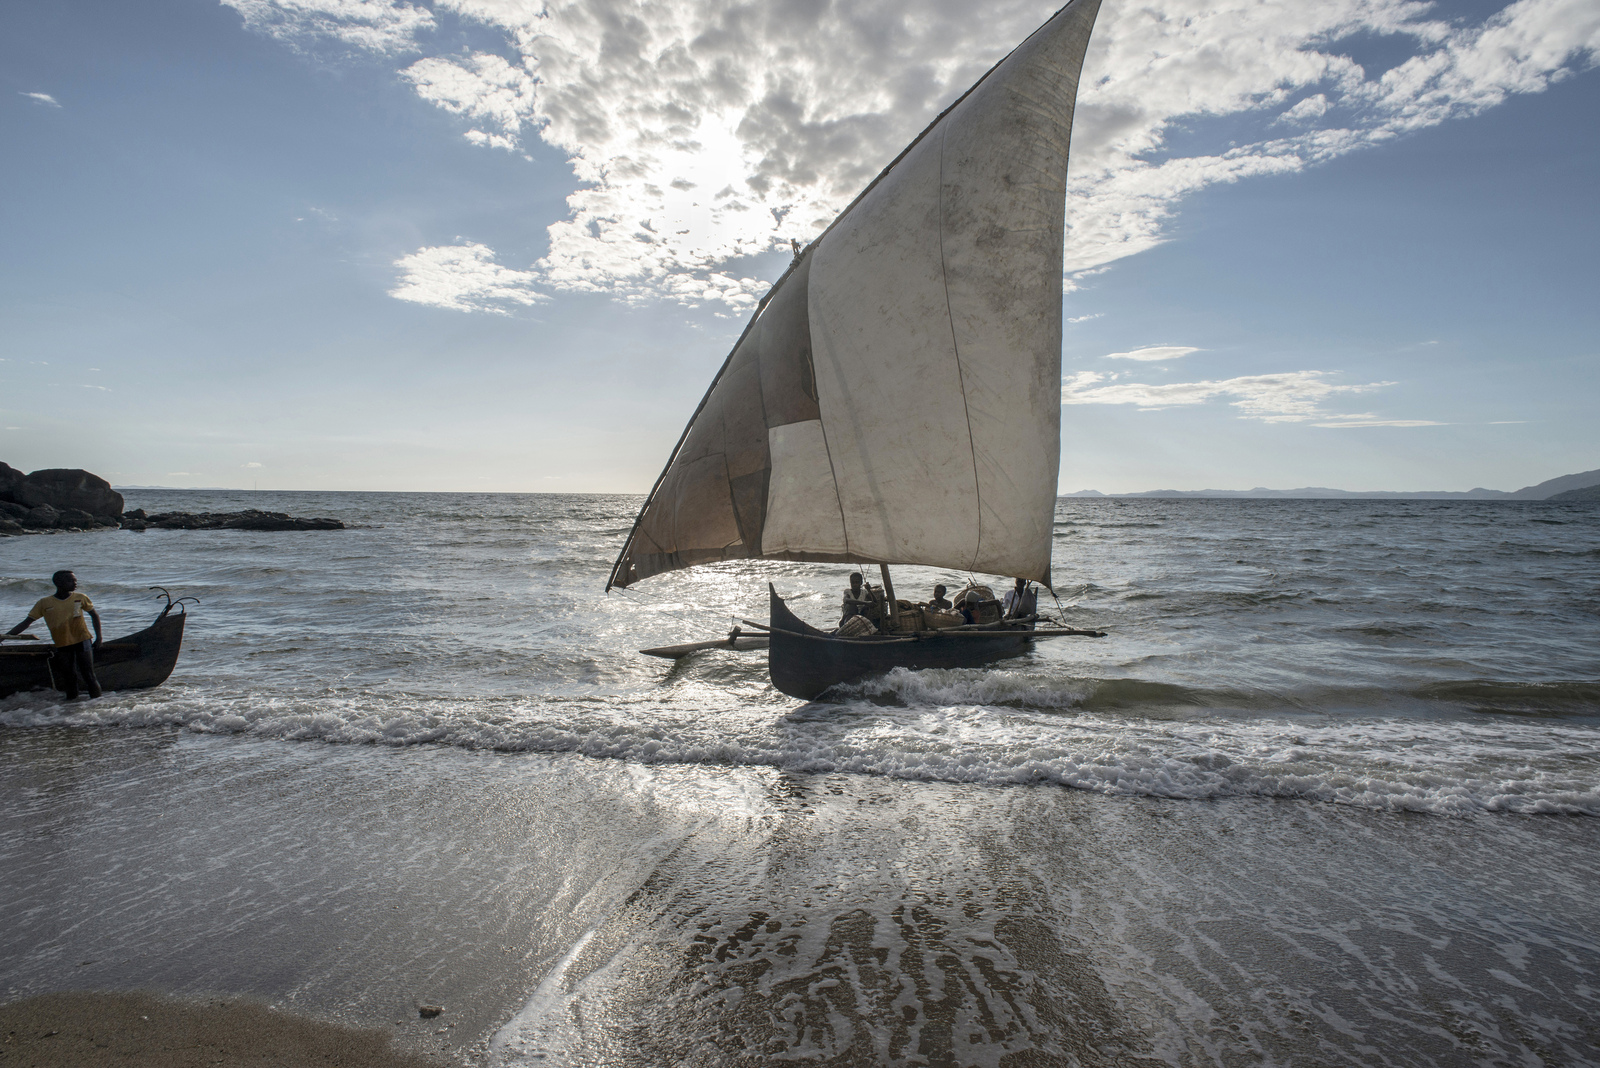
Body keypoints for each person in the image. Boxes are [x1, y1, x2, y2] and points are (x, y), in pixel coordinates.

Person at [8, 570, 103, 699]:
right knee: (69, 676)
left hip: (82, 640)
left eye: (75, 580)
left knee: (89, 675)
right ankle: (72, 704)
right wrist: (7, 636)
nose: (75, 583)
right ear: (58, 583)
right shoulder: (44, 603)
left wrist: (99, 638)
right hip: (62, 643)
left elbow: (94, 616)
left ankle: (97, 704)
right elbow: (26, 622)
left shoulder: (80, 597)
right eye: (70, 580)